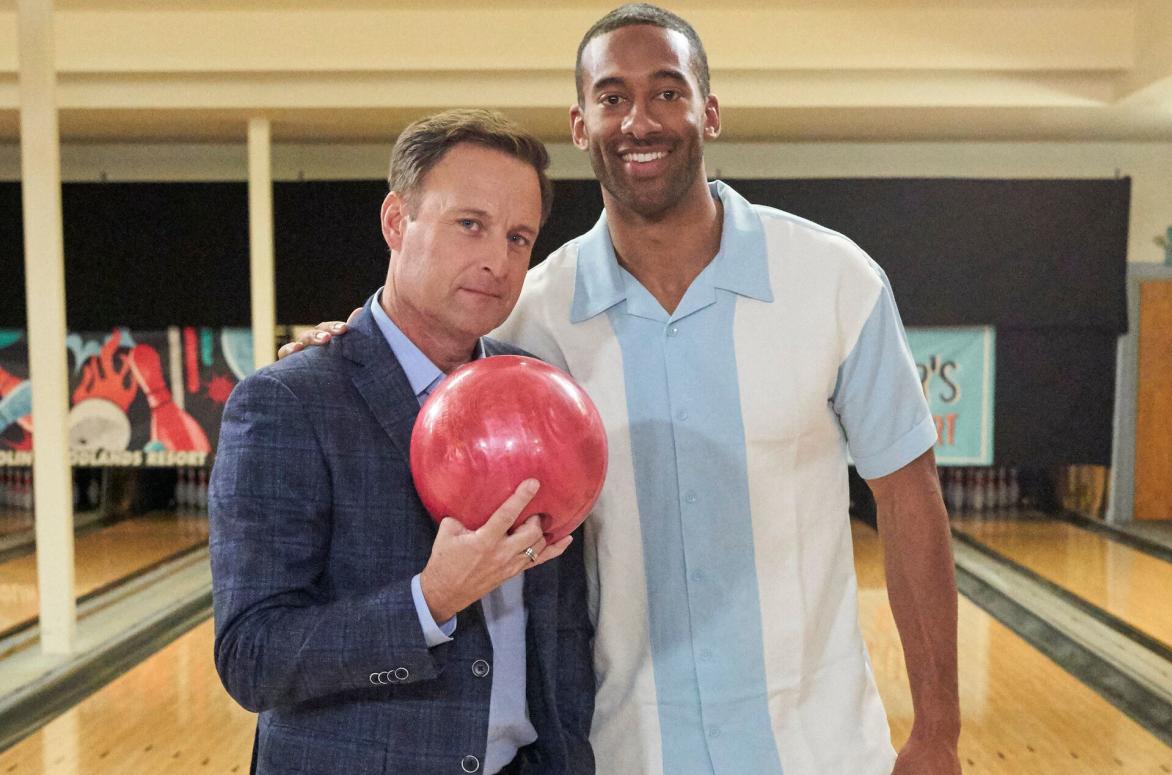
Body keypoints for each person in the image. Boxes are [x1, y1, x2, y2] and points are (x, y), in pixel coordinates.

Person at [284, 6, 961, 774]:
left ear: (710, 110)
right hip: (626, 752)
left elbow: (910, 501)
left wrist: (937, 730)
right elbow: (412, 362)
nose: (640, 119)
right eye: (612, 98)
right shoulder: (528, 316)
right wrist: (343, 340)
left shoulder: (836, 280)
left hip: (823, 748)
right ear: (581, 124)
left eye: (667, 92)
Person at [210, 109, 595, 775]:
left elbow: (558, 639)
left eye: (518, 237)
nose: (497, 259)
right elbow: (252, 656)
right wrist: (430, 599)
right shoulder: (290, 403)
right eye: (469, 223)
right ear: (396, 221)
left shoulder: (541, 394)